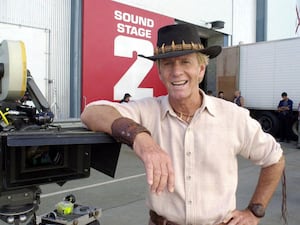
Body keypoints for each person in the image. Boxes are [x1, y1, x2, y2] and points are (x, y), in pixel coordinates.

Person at [81, 24, 285, 225]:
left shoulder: (233, 116)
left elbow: (274, 159)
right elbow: (92, 112)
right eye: (168, 64)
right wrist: (141, 138)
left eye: (185, 62)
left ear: (201, 70)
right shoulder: (147, 110)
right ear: (160, 72)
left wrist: (254, 212)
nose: (176, 71)